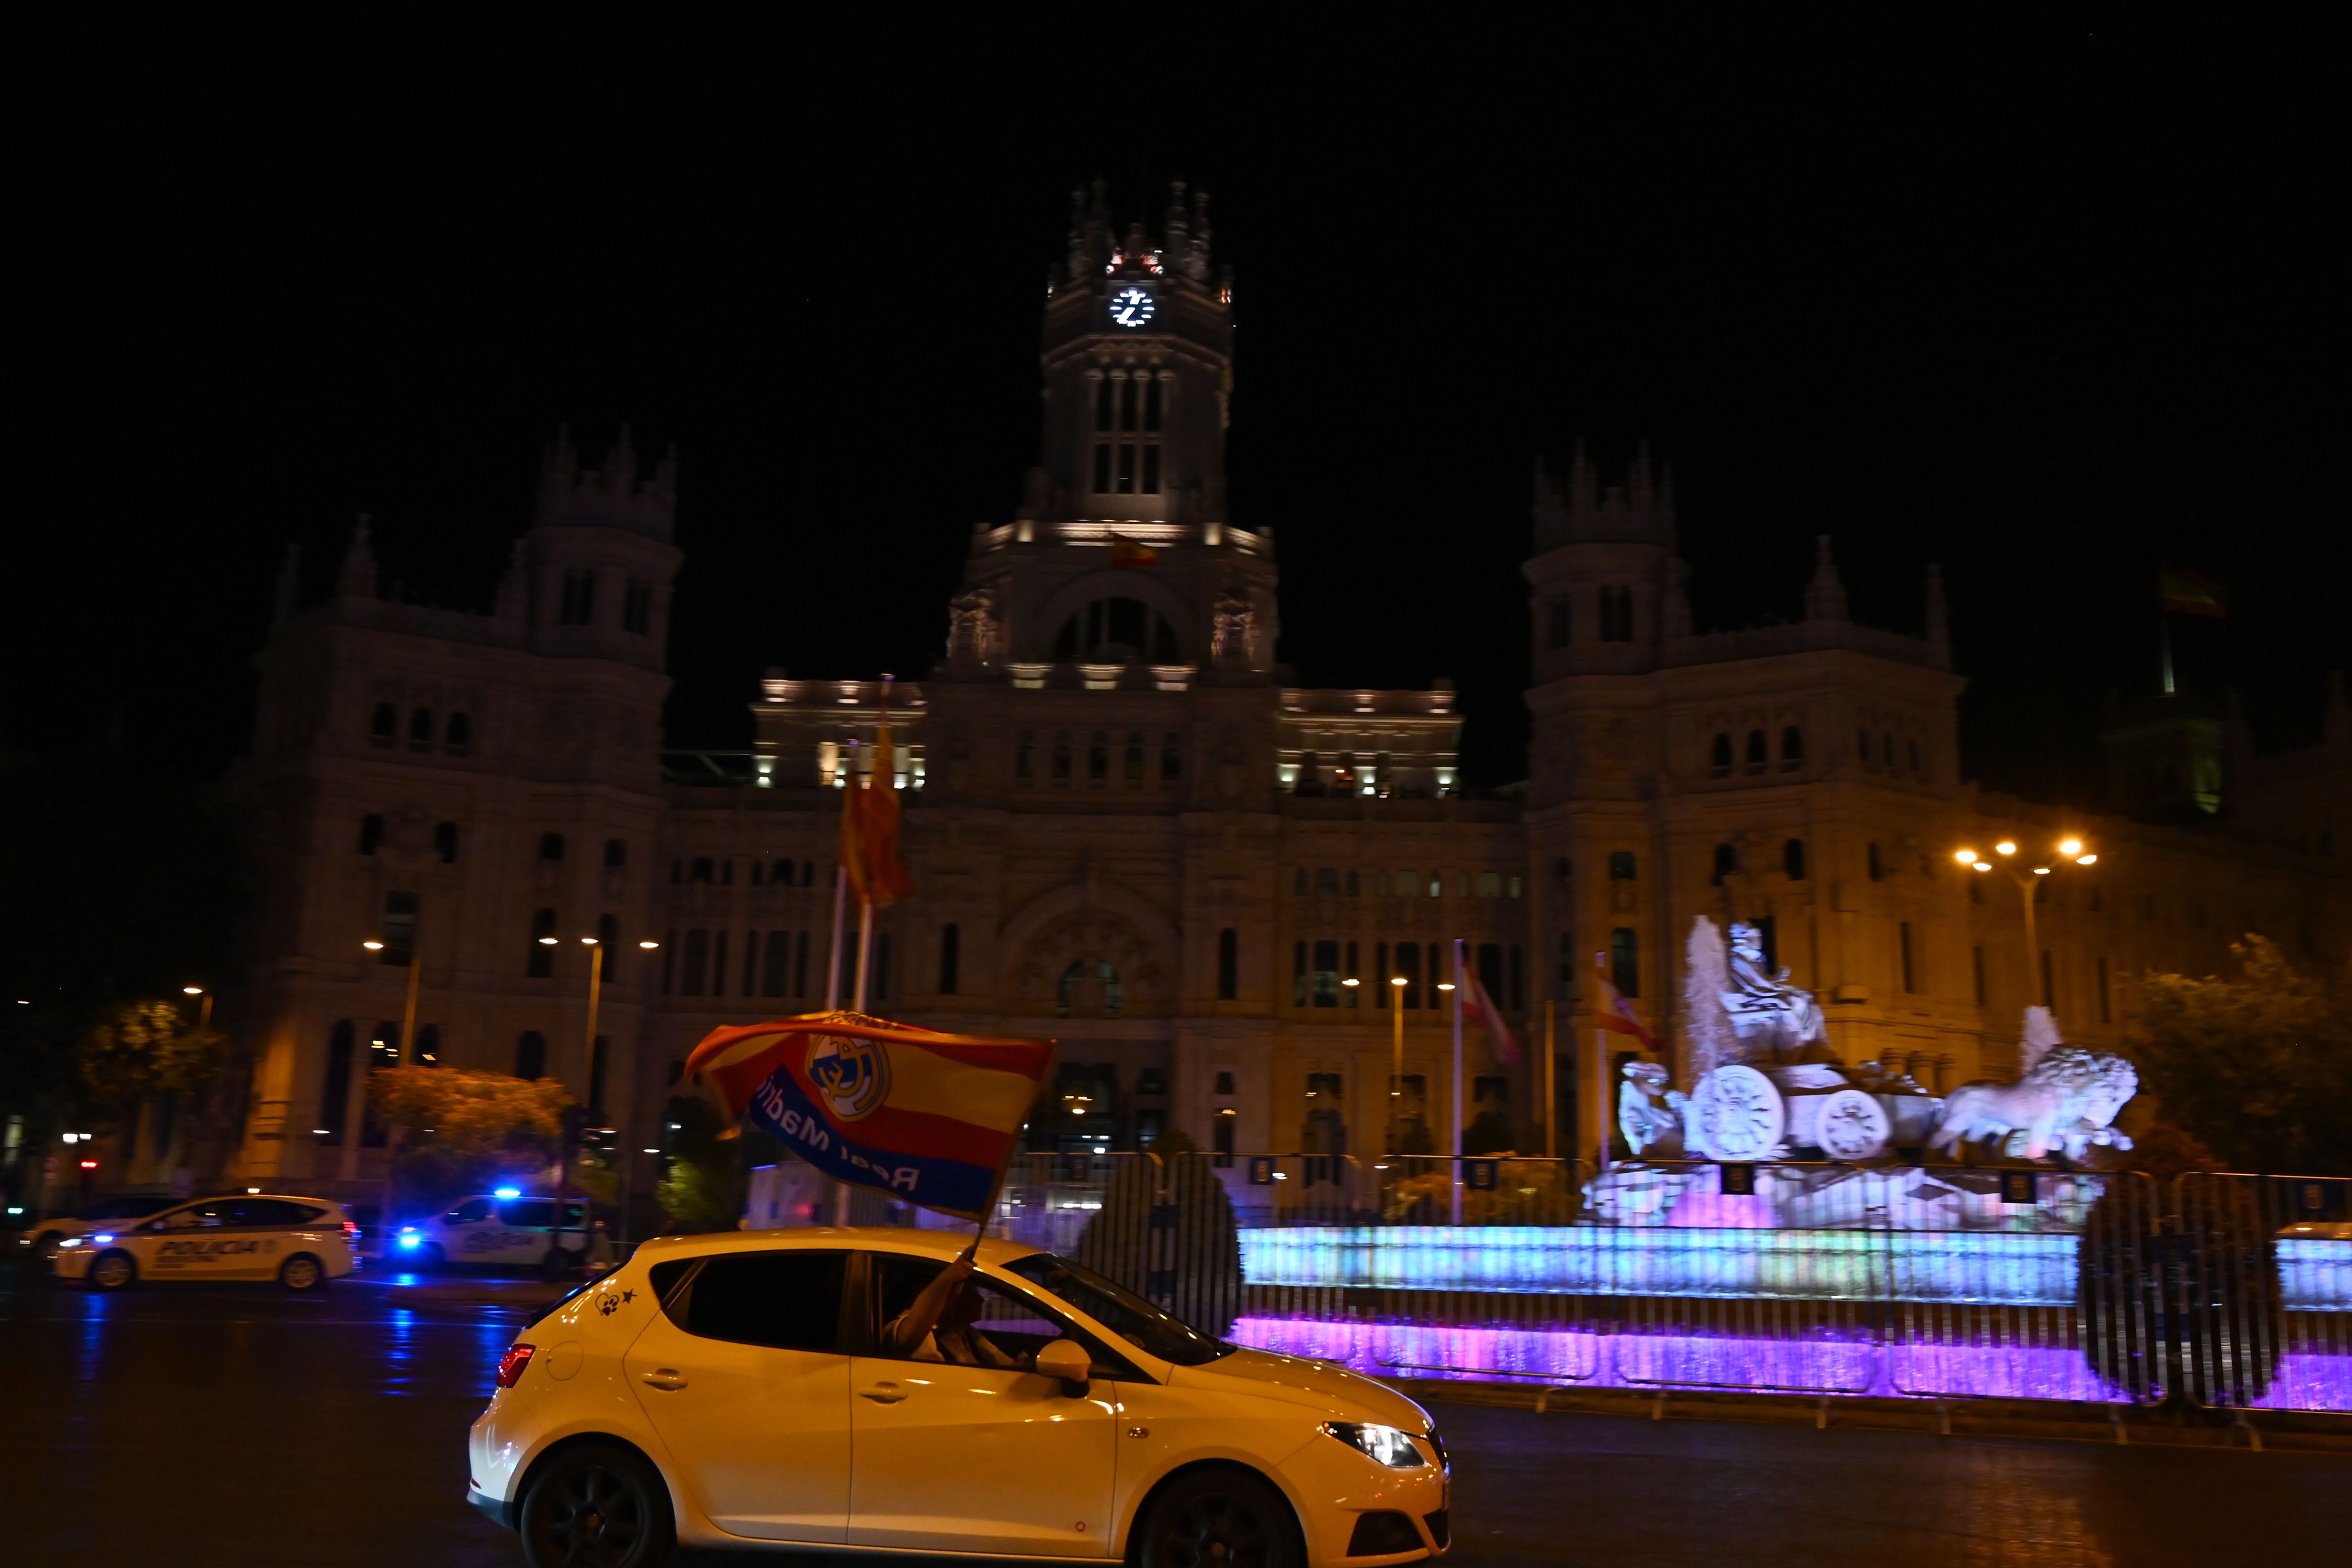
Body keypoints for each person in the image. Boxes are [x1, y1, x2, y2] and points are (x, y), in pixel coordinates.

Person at [879, 1246, 1025, 1369]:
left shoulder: (969, 1335)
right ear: (948, 1298)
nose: (981, 1299)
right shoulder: (906, 1330)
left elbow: (1012, 1365)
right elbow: (916, 1325)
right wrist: (949, 1277)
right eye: (971, 1294)